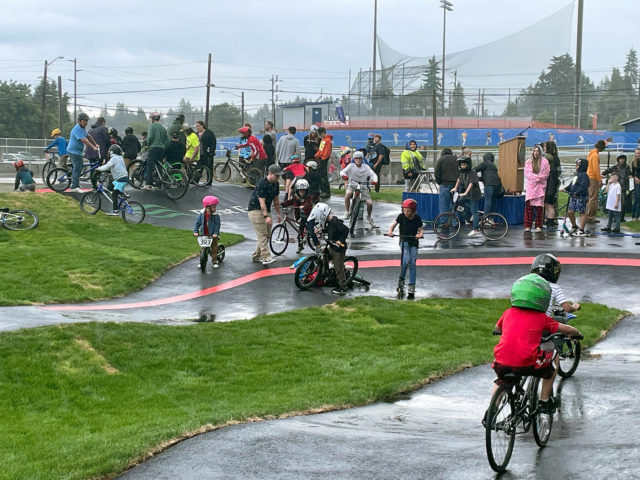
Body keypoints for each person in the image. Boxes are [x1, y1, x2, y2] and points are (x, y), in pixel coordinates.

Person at [491, 274, 582, 415]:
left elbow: (497, 329)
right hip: (527, 363)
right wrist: (576, 334)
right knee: (555, 356)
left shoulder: (508, 313)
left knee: (500, 381)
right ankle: (544, 399)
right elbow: (567, 329)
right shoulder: (542, 318)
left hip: (501, 362)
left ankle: (492, 411)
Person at [308, 202, 350, 296]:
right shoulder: (328, 223)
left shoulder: (335, 222)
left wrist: (340, 240)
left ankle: (343, 287)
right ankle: (323, 274)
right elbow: (329, 230)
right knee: (324, 258)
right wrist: (321, 230)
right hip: (331, 246)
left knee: (338, 268)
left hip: (338, 249)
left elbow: (346, 230)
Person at [387, 198, 424, 300]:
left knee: (412, 263)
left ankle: (412, 286)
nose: (406, 212)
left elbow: (421, 230)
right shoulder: (401, 217)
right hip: (404, 241)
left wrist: (419, 234)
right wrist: (390, 231)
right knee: (405, 261)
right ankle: (401, 281)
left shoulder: (417, 218)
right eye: (404, 210)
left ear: (413, 210)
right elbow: (393, 225)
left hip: (414, 242)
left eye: (408, 210)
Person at [247, 164, 283, 265]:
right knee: (262, 234)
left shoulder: (275, 184)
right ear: (270, 174)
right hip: (255, 210)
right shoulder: (261, 183)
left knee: (267, 234)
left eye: (279, 176)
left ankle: (256, 255)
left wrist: (278, 214)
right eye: (276, 176)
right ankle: (266, 257)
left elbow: (276, 201)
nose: (278, 178)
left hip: (266, 210)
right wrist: (266, 216)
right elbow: (261, 202)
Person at [340, 150, 378, 227]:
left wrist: (375, 180)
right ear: (354, 159)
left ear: (362, 159)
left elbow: (373, 174)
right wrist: (344, 176)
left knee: (369, 203)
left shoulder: (366, 167)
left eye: (360, 158)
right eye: (356, 158)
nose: (358, 160)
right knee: (348, 194)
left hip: (363, 186)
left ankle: (369, 217)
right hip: (352, 184)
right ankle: (347, 211)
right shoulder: (351, 166)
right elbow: (342, 172)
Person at [67, 112, 100, 193]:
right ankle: (74, 186)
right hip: (73, 151)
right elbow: (84, 140)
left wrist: (95, 144)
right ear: (79, 121)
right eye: (84, 121)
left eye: (86, 121)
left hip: (78, 151)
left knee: (79, 166)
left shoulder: (83, 128)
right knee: (77, 168)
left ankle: (75, 182)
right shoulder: (77, 128)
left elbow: (88, 136)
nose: (86, 122)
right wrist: (93, 147)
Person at [451, 156, 482, 236]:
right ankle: (469, 215)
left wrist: (465, 193)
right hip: (467, 194)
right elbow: (459, 179)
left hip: (474, 194)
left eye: (464, 165)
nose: (463, 166)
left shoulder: (472, 172)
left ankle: (476, 228)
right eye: (462, 165)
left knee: (474, 211)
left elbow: (471, 183)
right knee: (459, 204)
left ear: (468, 165)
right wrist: (455, 187)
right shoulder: (462, 172)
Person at [281, 179, 314, 253]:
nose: (301, 193)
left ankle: (317, 245)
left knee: (311, 232)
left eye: (303, 191)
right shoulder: (296, 197)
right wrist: (282, 204)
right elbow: (290, 201)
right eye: (300, 191)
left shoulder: (309, 197)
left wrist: (304, 206)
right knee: (300, 232)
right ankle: (300, 246)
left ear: (306, 191)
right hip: (301, 217)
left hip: (309, 217)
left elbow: (309, 204)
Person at [96, 144, 129, 216]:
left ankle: (115, 211)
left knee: (114, 194)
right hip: (123, 176)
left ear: (111, 152)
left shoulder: (114, 159)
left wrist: (99, 168)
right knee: (113, 187)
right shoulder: (120, 158)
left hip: (120, 178)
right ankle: (122, 193)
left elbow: (107, 166)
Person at [560, 158, 590, 236]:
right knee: (570, 212)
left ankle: (581, 229)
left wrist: (577, 193)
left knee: (582, 212)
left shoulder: (584, 175)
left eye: (577, 165)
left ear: (581, 166)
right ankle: (574, 226)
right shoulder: (576, 175)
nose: (575, 166)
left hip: (581, 197)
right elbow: (572, 184)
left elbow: (584, 187)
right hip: (573, 197)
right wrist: (566, 188)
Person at [523, 144, 550, 232]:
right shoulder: (528, 162)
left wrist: (538, 178)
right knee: (529, 208)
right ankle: (528, 225)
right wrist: (535, 178)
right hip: (531, 187)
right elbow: (527, 174)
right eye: (534, 151)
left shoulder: (545, 162)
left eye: (538, 151)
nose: (536, 153)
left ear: (540, 152)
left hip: (540, 187)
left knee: (539, 208)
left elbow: (546, 174)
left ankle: (538, 225)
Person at [193, 196, 221, 269]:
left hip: (212, 235)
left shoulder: (216, 216)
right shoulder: (201, 215)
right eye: (213, 207)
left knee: (214, 249)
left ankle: (214, 261)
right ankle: (201, 261)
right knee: (203, 248)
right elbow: (197, 223)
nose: (215, 209)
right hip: (204, 234)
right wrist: (195, 231)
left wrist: (216, 233)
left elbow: (217, 225)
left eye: (215, 207)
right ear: (207, 207)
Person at [602, 154, 632, 222]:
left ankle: (621, 217)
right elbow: (607, 171)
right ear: (618, 160)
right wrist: (602, 174)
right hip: (616, 186)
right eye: (620, 159)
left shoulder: (627, 167)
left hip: (624, 187)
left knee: (623, 203)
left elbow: (630, 175)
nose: (622, 160)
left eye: (623, 159)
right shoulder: (615, 167)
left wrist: (630, 177)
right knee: (615, 202)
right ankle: (614, 217)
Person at [143, 112, 168, 190]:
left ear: (153, 119)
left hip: (153, 148)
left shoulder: (152, 126)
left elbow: (149, 137)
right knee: (159, 165)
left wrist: (147, 144)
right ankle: (158, 184)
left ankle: (148, 184)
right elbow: (167, 140)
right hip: (162, 149)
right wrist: (163, 146)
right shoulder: (163, 128)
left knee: (150, 165)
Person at [586, 139, 606, 222]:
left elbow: (591, 167)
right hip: (593, 178)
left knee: (590, 197)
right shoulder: (595, 155)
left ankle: (587, 214)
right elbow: (595, 169)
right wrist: (599, 179)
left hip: (589, 176)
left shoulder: (591, 153)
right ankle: (590, 216)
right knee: (593, 198)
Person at [434, 147, 458, 214]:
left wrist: (439, 182)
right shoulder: (456, 159)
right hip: (456, 185)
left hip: (445, 184)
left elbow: (437, 173)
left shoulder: (441, 160)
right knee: (455, 204)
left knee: (444, 205)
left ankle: (443, 222)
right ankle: (455, 221)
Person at [543, 141, 561, 227]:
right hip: (554, 184)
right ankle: (551, 220)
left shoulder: (548, 157)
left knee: (549, 205)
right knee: (550, 204)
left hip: (550, 184)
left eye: (545, 146)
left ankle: (550, 221)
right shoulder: (556, 158)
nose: (544, 148)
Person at [314, 127, 333, 198]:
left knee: (324, 175)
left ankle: (327, 191)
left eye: (320, 134)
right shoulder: (323, 140)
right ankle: (323, 190)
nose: (320, 135)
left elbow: (327, 152)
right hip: (321, 159)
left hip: (324, 160)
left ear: (323, 132)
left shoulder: (327, 140)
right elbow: (320, 150)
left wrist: (322, 158)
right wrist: (317, 155)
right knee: (321, 175)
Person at [633, 148, 640, 221]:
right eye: (637, 153)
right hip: (637, 181)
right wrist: (635, 178)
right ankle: (633, 216)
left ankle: (638, 216)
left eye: (639, 153)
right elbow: (632, 173)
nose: (638, 154)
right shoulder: (634, 162)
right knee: (637, 198)